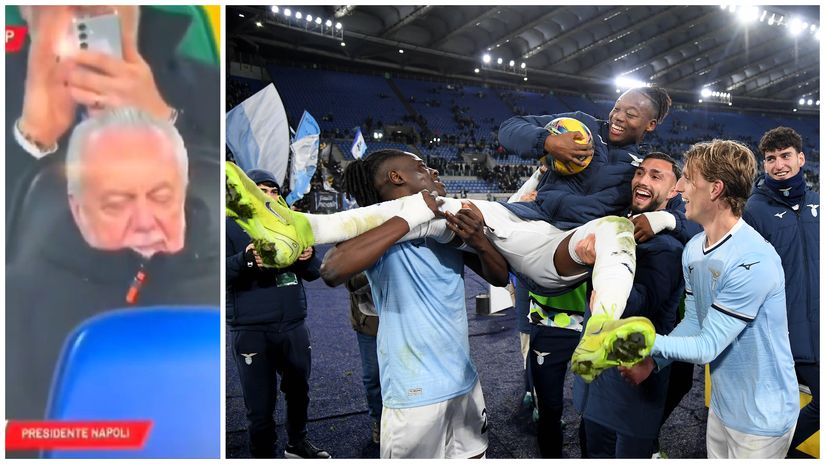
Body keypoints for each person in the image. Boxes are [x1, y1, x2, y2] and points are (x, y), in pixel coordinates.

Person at [225, 88, 678, 379]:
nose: (619, 116)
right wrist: (547, 141)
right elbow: (509, 128)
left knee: (615, 230)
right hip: (522, 223)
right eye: (618, 106)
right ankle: (300, 227)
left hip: (560, 253)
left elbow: (674, 209)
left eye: (632, 114)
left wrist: (662, 218)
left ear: (650, 125)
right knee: (438, 205)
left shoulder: (641, 172)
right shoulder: (582, 124)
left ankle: (601, 331)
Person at [6, 108, 219, 422]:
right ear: (78, 208)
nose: (145, 222)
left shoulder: (218, 285)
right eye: (117, 204)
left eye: (161, 197)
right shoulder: (15, 304)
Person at [322, 149, 510, 458]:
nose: (434, 172)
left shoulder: (448, 225)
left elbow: (500, 277)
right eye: (422, 167)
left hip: (464, 382)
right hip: (413, 393)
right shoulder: (376, 224)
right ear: (396, 177)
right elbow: (332, 270)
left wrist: (479, 242)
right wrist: (412, 215)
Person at [621, 139, 799, 459]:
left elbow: (707, 346)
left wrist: (641, 342)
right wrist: (655, 361)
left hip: (763, 416)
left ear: (715, 189)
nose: (680, 187)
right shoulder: (694, 248)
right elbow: (693, 320)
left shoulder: (753, 258)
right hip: (723, 406)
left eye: (688, 178)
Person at [6, 5, 219, 212]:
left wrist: (166, 123)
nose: (86, 8)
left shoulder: (205, 86)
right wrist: (33, 139)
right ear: (25, 10)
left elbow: (219, 214)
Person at [572, 153, 685, 458]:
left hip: (632, 381)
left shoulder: (668, 248)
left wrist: (596, 270)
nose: (644, 180)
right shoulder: (619, 226)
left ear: (673, 191)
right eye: (640, 173)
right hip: (602, 378)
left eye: (656, 176)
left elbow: (640, 303)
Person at [226, 169, 329, 459]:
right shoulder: (229, 224)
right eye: (262, 190)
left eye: (274, 191)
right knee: (259, 405)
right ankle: (263, 454)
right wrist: (246, 261)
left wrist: (308, 257)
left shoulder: (290, 223)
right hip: (252, 330)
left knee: (299, 392)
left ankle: (297, 443)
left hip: (294, 325)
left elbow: (313, 273)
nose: (270, 196)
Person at [743, 127, 819, 456]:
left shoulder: (818, 204)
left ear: (801, 159)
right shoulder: (753, 210)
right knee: (768, 407)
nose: (778, 165)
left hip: (817, 327)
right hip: (780, 331)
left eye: (785, 156)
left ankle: (775, 453)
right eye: (770, 159)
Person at [345, 272, 382, 445]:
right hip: (370, 321)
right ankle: (379, 421)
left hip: (404, 317)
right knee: (373, 376)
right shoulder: (353, 245)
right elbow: (351, 282)